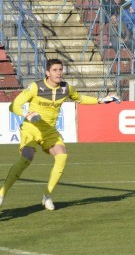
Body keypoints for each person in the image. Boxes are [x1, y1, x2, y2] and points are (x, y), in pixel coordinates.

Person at [0, 59, 120, 211]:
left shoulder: (66, 88)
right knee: (26, 158)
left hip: (49, 130)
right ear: (47, 73)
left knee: (62, 155)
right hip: (31, 128)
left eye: (60, 70)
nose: (59, 73)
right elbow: (13, 105)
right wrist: (27, 113)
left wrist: (101, 100)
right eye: (55, 70)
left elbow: (81, 99)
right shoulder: (36, 87)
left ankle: (47, 196)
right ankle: (2, 193)